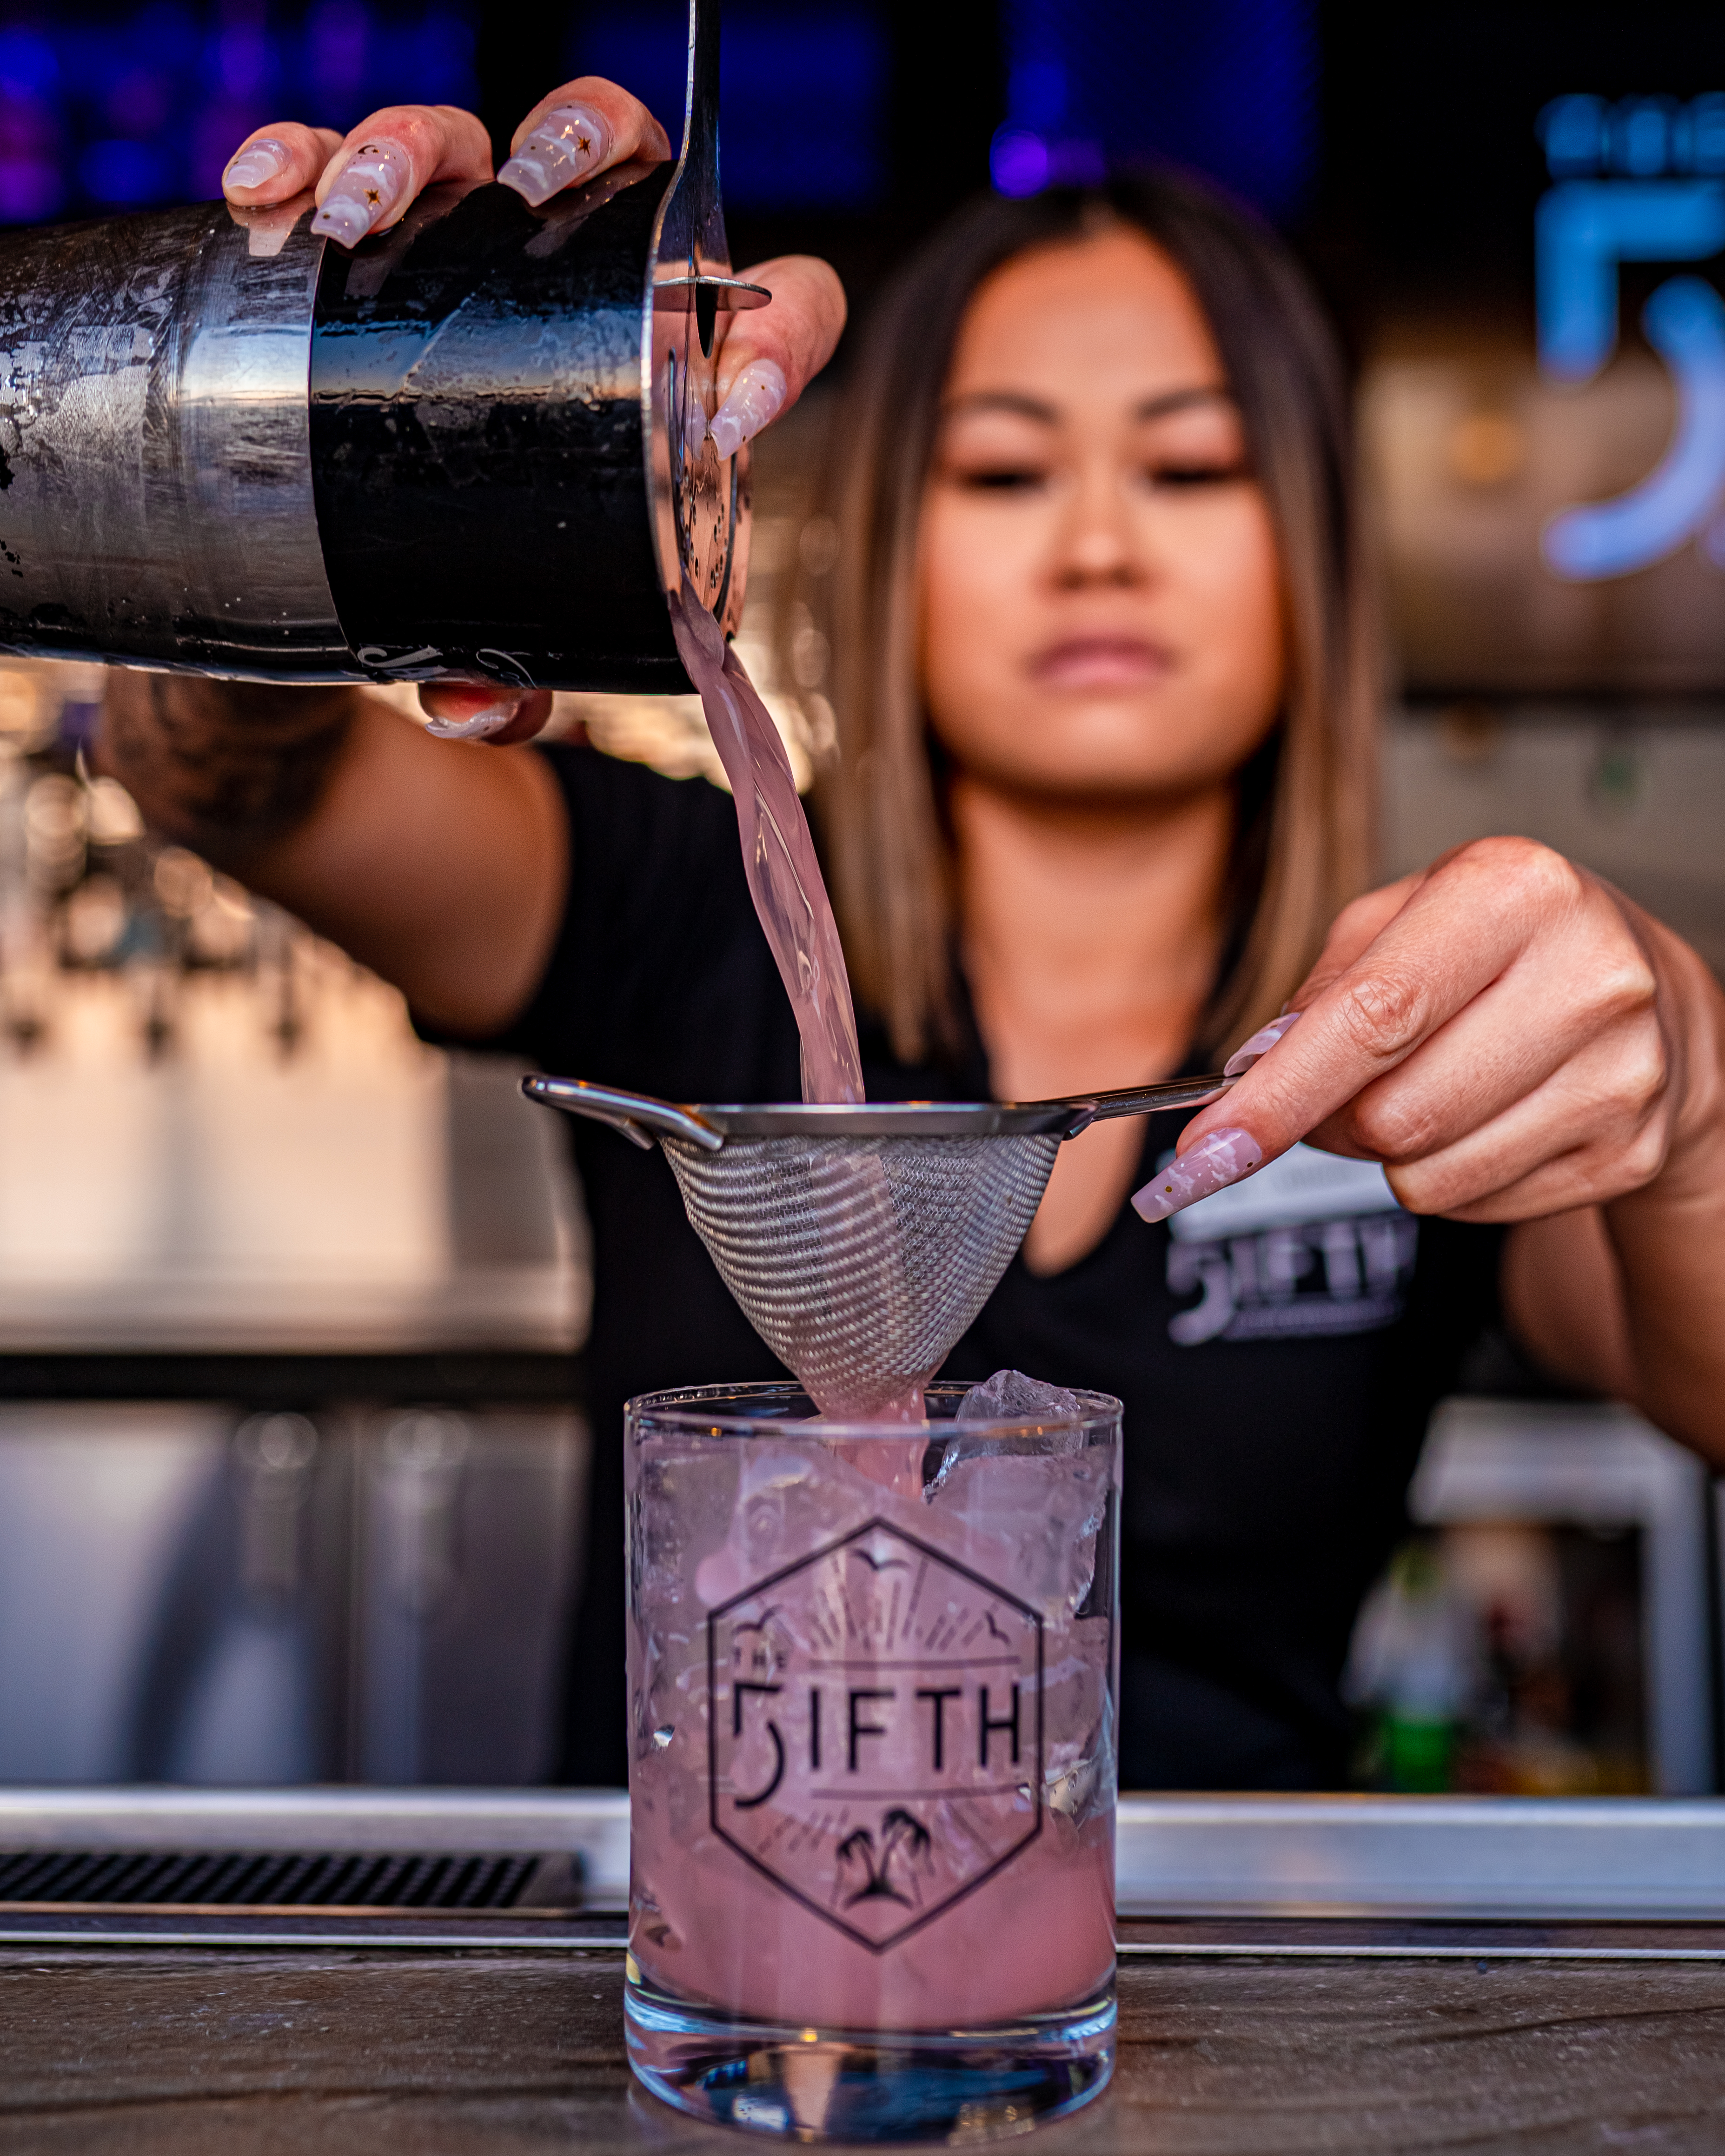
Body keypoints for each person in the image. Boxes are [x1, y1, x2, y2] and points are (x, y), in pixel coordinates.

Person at [101, 82, 1725, 1790]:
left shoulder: (1406, 1032)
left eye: (1186, 466)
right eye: (1009, 469)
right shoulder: (681, 905)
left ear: (1309, 547)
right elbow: (221, 773)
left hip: (1259, 2003)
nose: (1099, 546)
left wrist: (1693, 1114)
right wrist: (324, 383)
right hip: (722, 2019)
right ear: (894, 539)